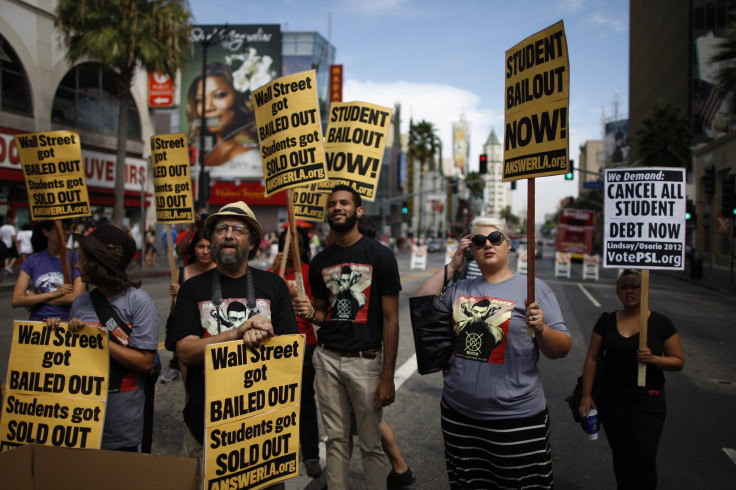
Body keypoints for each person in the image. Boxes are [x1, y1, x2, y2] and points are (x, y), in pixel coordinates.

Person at [414, 216, 571, 489]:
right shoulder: (459, 289)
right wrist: (452, 265)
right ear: (471, 250)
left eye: (495, 238)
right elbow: (422, 303)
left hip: (516, 420)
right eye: (478, 241)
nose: (487, 244)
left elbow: (562, 349)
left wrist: (542, 328)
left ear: (508, 246)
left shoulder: (533, 289)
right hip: (459, 415)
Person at [292, 185, 401, 490]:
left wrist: (387, 376)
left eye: (344, 203)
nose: (337, 208)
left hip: (365, 362)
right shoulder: (319, 261)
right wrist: (309, 311)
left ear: (358, 210)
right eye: (332, 205)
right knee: (336, 441)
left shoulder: (380, 256)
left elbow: (392, 320)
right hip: (326, 359)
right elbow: (323, 314)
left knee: (370, 443)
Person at [171, 201, 298, 460]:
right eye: (221, 229)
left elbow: (293, 354)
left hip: (263, 426)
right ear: (213, 240)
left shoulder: (274, 285)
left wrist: (268, 336)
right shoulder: (192, 289)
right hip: (206, 423)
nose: (228, 234)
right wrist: (236, 333)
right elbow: (184, 352)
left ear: (251, 243)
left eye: (238, 229)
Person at [47, 224, 159, 451]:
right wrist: (55, 335)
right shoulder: (81, 302)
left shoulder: (138, 301)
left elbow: (146, 361)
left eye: (83, 259)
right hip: (82, 421)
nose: (77, 266)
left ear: (100, 266)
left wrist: (96, 340)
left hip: (122, 425)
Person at [579, 269, 685, 489]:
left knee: (643, 459)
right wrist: (587, 395)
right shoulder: (606, 320)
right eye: (623, 287)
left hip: (647, 400)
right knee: (621, 454)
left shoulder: (661, 323)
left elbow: (678, 361)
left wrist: (654, 359)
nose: (629, 291)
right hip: (611, 399)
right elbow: (591, 358)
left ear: (645, 289)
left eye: (634, 286)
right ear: (617, 292)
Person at [356, 215, 415, 488]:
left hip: (364, 353)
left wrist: (387, 374)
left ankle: (399, 468)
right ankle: (399, 469)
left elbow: (390, 316)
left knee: (367, 417)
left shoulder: (374, 261)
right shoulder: (373, 259)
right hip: (359, 351)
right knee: (363, 418)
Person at [269, 227, 322, 479]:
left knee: (304, 402)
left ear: (304, 248)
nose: (292, 248)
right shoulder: (272, 273)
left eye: (297, 243)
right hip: (274, 343)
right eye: (287, 243)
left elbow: (316, 306)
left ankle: (310, 455)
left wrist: (291, 292)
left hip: (304, 343)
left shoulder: (310, 272)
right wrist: (273, 271)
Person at [186, 62, 261, 178]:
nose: (208, 107)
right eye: (200, 100)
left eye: (219, 95)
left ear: (241, 99)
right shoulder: (208, 149)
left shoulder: (251, 157)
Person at [161, 229, 216, 384]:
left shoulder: (222, 272)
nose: (206, 252)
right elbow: (174, 313)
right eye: (201, 247)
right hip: (188, 334)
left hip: (212, 333)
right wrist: (174, 298)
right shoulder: (181, 273)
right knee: (191, 387)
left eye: (209, 247)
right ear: (193, 249)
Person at [11, 220, 84, 321]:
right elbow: (16, 300)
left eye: (70, 228)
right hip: (37, 325)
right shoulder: (32, 260)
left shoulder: (76, 259)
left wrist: (36, 298)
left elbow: (76, 298)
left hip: (67, 324)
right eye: (62, 228)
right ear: (46, 232)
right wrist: (53, 294)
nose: (67, 232)